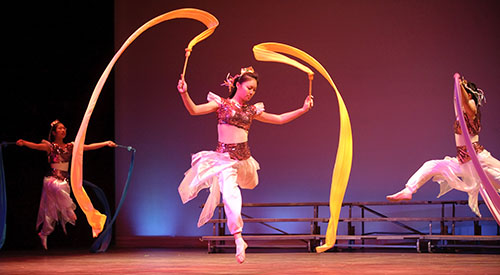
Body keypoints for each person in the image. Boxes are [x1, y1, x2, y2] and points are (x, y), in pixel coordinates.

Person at [177, 67, 313, 263]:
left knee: (250, 184)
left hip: (245, 161)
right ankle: (239, 238)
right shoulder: (221, 104)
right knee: (231, 195)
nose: (251, 92)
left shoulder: (252, 110)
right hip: (225, 161)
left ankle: (239, 236)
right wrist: (184, 93)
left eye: (254, 90)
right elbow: (194, 109)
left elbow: (279, 119)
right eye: (249, 87)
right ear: (238, 85)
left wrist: (303, 109)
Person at [386, 77, 500, 217]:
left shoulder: (472, 110)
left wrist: (461, 85)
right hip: (463, 162)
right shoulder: (461, 114)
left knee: (498, 181)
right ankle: (409, 190)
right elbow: (457, 101)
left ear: (469, 95)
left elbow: (465, 102)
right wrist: (458, 86)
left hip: (478, 160)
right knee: (432, 165)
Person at [16, 119, 116, 249]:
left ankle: (44, 233)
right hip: (51, 179)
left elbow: (88, 146)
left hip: (64, 178)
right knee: (57, 191)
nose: (63, 130)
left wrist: (105, 143)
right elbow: (35, 146)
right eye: (60, 129)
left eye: (64, 128)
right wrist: (23, 142)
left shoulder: (71, 146)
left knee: (51, 211)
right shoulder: (50, 147)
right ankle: (68, 210)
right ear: (54, 132)